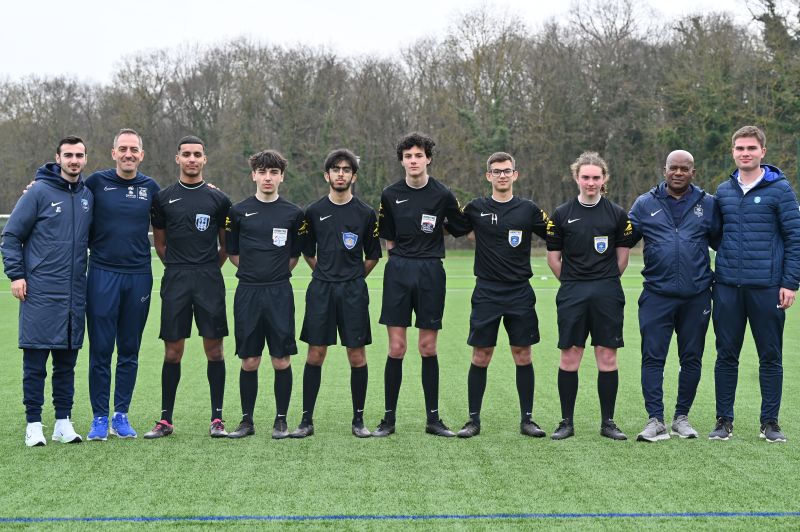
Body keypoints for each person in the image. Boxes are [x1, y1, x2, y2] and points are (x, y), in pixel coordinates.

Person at [373, 132, 469, 437]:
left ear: (428, 158)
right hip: (399, 271)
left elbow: (460, 227)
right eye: (407, 156)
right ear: (402, 161)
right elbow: (388, 237)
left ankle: (433, 419)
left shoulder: (443, 194)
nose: (413, 161)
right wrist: (398, 262)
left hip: (430, 271)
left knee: (427, 347)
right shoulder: (390, 194)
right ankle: (388, 419)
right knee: (397, 347)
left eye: (418, 155)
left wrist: (438, 228)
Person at [710, 125, 800, 443]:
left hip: (767, 288)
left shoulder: (781, 190)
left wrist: (790, 282)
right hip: (727, 288)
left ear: (763, 151)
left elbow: (795, 238)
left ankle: (769, 423)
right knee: (726, 355)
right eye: (740, 148)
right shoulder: (723, 191)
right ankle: (723, 421)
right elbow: (716, 235)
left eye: (751, 148)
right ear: (732, 152)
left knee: (770, 356)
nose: (745, 153)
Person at [2, 136, 93, 446]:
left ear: (85, 159)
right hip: (40, 292)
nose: (74, 160)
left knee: (66, 364)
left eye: (79, 155)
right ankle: (34, 424)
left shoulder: (87, 196)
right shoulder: (38, 192)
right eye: (68, 155)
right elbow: (11, 236)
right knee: (35, 364)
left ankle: (63, 423)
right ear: (58, 158)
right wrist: (16, 275)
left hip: (73, 295)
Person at [450, 152, 548, 438]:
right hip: (487, 291)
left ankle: (527, 420)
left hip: (520, 291)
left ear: (515, 174)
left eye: (507, 171)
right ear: (488, 176)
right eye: (497, 171)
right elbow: (453, 228)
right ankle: (473, 420)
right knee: (481, 355)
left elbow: (557, 233)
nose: (502, 175)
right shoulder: (476, 208)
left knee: (523, 354)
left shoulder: (529, 209)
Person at [628, 150, 720, 442]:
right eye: (673, 168)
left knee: (691, 357)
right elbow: (621, 238)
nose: (678, 173)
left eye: (684, 168)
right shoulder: (644, 204)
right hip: (657, 294)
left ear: (693, 172)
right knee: (652, 357)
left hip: (697, 295)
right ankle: (655, 420)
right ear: (664, 170)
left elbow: (724, 242)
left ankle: (682, 417)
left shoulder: (708, 204)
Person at [144, 136, 232, 439]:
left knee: (214, 350)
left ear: (204, 159)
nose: (192, 159)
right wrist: (180, 267)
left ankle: (217, 419)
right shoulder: (162, 198)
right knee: (173, 351)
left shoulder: (219, 199)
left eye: (197, 154)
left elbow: (225, 245)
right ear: (177, 158)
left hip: (209, 279)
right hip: (176, 279)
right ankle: (165, 420)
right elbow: (160, 244)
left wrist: (207, 268)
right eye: (186, 154)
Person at [289, 149, 381, 439]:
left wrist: (353, 277)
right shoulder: (313, 212)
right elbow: (307, 251)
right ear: (326, 175)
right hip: (321, 290)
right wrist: (325, 273)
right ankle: (306, 420)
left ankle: (358, 420)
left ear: (354, 176)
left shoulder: (366, 213)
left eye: (346, 170)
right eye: (335, 169)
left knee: (357, 354)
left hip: (353, 291)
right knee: (316, 353)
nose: (341, 174)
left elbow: (373, 256)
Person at [546, 151, 634, 441]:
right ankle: (566, 422)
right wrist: (573, 283)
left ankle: (608, 422)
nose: (591, 182)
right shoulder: (561, 214)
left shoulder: (617, 214)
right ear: (576, 178)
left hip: (607, 291)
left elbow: (623, 257)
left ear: (604, 178)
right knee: (570, 356)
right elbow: (553, 258)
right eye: (585, 177)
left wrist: (604, 281)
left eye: (596, 177)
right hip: (573, 292)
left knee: (607, 356)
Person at [83, 129, 160, 441]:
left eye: (134, 149)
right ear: (113, 152)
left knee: (129, 349)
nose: (129, 154)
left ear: (141, 155)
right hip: (102, 273)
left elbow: (180, 209)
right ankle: (100, 417)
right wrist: (38, 183)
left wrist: (208, 191)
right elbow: (64, 189)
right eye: (123, 149)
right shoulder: (95, 183)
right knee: (101, 350)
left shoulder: (151, 188)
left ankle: (121, 415)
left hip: (139, 275)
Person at [225, 149, 307, 440]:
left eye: (273, 172)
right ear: (254, 176)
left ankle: (281, 420)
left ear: (282, 177)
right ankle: (246, 421)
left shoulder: (294, 214)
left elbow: (294, 255)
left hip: (279, 293)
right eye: (262, 172)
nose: (268, 177)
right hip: (247, 292)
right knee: (249, 360)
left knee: (281, 359)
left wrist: (273, 275)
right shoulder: (238, 212)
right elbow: (232, 253)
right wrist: (254, 273)